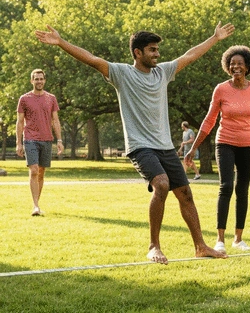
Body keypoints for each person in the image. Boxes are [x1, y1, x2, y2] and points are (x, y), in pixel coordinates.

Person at [35, 21, 235, 265]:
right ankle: (154, 246)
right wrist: (61, 42)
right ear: (137, 52)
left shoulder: (163, 72)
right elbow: (91, 59)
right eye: (152, 50)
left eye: (157, 50)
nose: (157, 54)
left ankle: (200, 246)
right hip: (140, 146)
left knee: (186, 194)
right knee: (161, 184)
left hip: (164, 145)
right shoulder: (122, 73)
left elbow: (189, 55)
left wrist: (215, 38)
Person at [185, 45, 250, 253]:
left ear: (247, 66)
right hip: (225, 142)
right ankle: (220, 239)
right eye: (232, 64)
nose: (236, 67)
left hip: (248, 144)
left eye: (240, 64)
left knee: (242, 190)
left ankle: (238, 238)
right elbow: (209, 120)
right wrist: (193, 149)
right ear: (228, 66)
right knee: (226, 186)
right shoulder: (221, 89)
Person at [16, 69, 64, 216]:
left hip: (47, 139)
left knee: (41, 173)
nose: (39, 81)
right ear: (32, 81)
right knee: (34, 170)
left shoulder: (51, 98)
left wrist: (60, 140)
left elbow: (55, 120)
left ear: (45, 80)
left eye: (41, 79)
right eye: (36, 79)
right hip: (30, 138)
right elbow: (19, 121)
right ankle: (35, 206)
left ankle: (37, 202)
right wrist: (19, 142)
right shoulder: (24, 99)